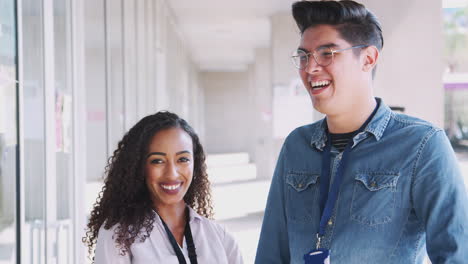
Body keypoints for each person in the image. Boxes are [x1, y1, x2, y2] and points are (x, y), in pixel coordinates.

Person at [255, 1, 468, 263]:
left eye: (327, 54)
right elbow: (271, 253)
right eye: (304, 56)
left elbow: (456, 254)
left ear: (368, 59)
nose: (310, 68)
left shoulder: (422, 145)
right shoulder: (297, 145)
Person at [83, 111, 243, 264]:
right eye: (157, 161)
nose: (172, 174)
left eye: (183, 159)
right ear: (139, 167)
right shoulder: (119, 236)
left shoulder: (220, 237)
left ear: (195, 164)